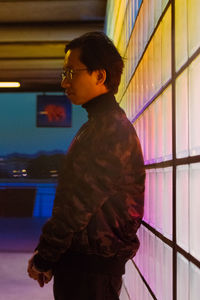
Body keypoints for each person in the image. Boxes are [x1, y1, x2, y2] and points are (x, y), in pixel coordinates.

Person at [27, 31, 145, 300]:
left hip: (92, 272)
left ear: (99, 76)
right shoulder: (99, 126)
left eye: (71, 72)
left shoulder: (109, 130)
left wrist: (45, 256)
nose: (64, 82)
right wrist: (51, 253)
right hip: (86, 266)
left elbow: (78, 206)